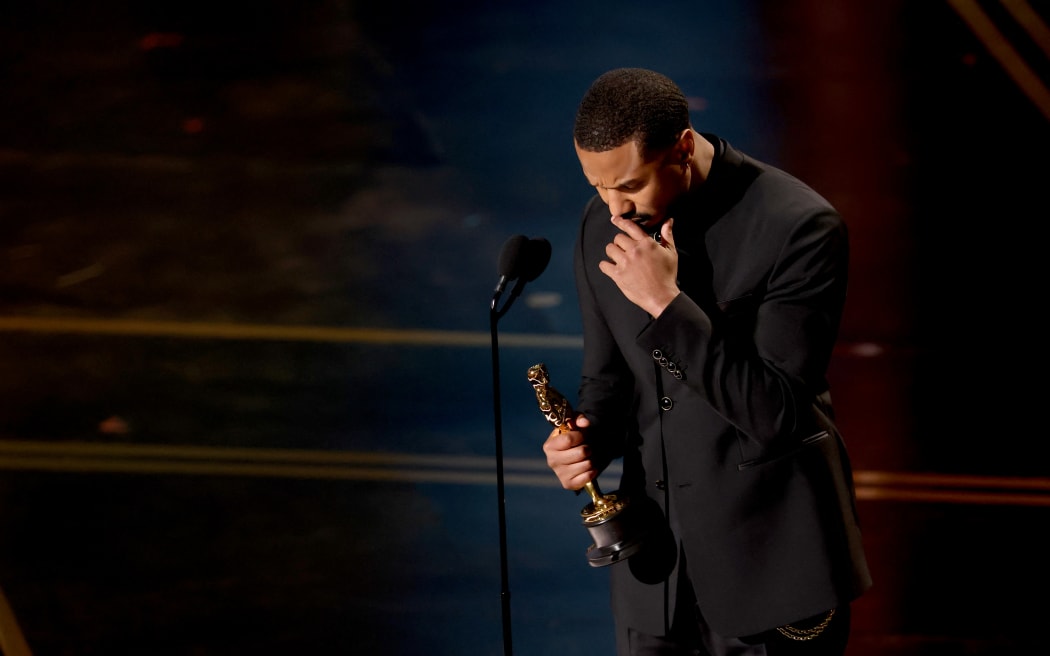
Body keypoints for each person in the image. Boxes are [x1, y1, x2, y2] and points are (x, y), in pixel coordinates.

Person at [540, 68, 873, 655]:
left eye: (630, 185)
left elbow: (774, 414)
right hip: (656, 579)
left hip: (773, 574)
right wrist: (584, 444)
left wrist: (665, 304)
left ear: (683, 148)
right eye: (598, 186)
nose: (615, 207)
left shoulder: (798, 226)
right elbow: (608, 381)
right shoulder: (601, 223)